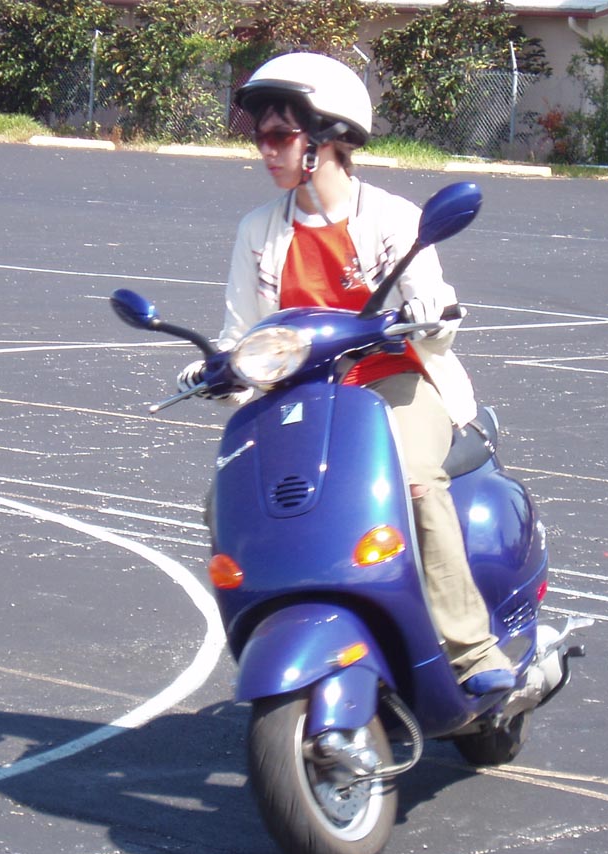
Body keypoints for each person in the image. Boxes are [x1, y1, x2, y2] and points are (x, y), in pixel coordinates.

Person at [180, 51, 514, 695]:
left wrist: (428, 312)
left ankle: (472, 650)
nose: (265, 149)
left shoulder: (391, 217)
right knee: (228, 499)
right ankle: (274, 626)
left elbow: (435, 311)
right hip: (301, 396)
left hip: (393, 382)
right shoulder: (258, 230)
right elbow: (240, 333)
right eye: (259, 136)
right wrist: (215, 370)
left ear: (327, 138)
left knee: (413, 478)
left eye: (280, 135)